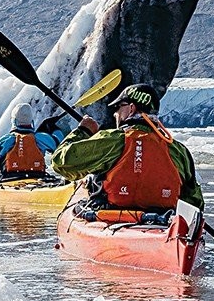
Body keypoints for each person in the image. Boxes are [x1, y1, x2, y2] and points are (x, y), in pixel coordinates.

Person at [51, 83, 203, 214]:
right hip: (163, 223)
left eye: (118, 107)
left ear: (131, 108)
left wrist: (83, 131)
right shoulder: (178, 150)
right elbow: (194, 202)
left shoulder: (112, 140)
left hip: (110, 216)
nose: (115, 114)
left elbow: (60, 162)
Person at [0, 103, 65, 180]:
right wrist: (53, 128)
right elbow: (61, 144)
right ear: (31, 121)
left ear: (14, 121)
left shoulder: (4, 141)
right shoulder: (41, 138)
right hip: (38, 178)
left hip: (8, 180)